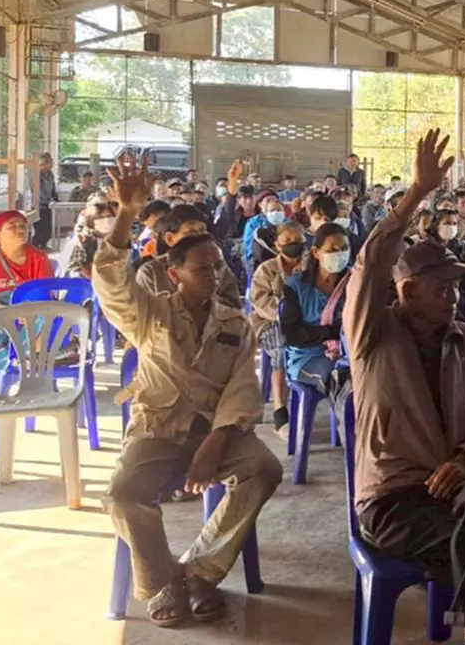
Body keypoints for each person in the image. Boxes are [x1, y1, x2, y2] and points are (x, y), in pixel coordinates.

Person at [343, 130, 465, 644]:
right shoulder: (373, 334)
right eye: (442, 287)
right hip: (393, 500)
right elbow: (369, 266)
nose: (454, 296)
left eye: (456, 286)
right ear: (407, 291)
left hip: (458, 491)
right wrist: (416, 195)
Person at [94, 153, 282, 628]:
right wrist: (127, 213)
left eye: (217, 267)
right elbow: (112, 282)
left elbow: (243, 389)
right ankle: (165, 581)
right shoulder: (150, 313)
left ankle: (201, 571)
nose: (213, 276)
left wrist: (214, 444)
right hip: (158, 429)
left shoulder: (235, 324)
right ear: (174, 273)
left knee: (264, 468)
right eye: (202, 269)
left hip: (216, 432)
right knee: (123, 493)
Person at [279, 224, 352, 419]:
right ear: (316, 253)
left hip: (349, 353)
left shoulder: (354, 282)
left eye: (344, 248)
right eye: (332, 250)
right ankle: (350, 433)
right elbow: (292, 335)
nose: (339, 254)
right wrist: (331, 332)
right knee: (341, 379)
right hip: (307, 357)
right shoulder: (296, 286)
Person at [0, 210, 55, 374]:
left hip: (29, 305)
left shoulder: (39, 258)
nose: (20, 230)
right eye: (12, 227)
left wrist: (27, 311)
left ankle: (26, 366)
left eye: (23, 226)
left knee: (38, 320)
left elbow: (43, 293)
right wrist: (5, 311)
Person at [248, 222, 306, 434]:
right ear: (277, 244)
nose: (293, 244)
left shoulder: (312, 266)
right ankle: (281, 412)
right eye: (287, 240)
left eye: (297, 239)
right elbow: (260, 300)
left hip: (306, 321)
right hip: (271, 322)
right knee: (282, 349)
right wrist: (286, 314)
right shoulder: (267, 269)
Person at [137, 205, 243, 309]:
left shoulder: (218, 265)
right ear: (170, 239)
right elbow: (145, 315)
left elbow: (234, 309)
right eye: (190, 233)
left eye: (202, 231)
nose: (198, 238)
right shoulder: (151, 273)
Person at [67, 199, 119, 279]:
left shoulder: (119, 238)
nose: (107, 220)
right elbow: (77, 265)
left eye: (109, 216)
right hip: (87, 281)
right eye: (101, 218)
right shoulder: (84, 239)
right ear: (92, 220)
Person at [33, 152, 59, 248]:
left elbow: (52, 188)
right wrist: (47, 200)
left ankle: (44, 245)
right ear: (43, 163)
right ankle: (36, 246)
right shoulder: (37, 174)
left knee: (48, 229)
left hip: (49, 205)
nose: (52, 163)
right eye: (49, 161)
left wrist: (55, 199)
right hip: (39, 206)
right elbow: (38, 191)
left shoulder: (50, 174)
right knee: (39, 229)